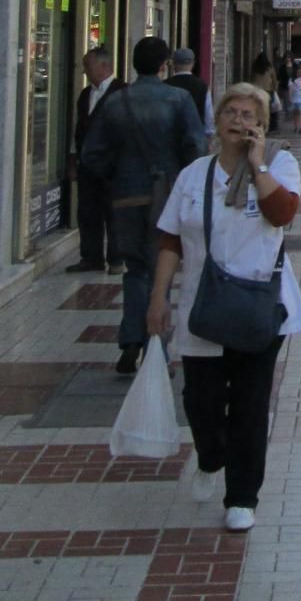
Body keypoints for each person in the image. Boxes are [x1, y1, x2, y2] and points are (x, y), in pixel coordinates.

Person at [147, 83, 301, 533]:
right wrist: (158, 297)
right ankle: (211, 456)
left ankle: (242, 497)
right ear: (216, 122)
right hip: (204, 306)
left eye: (249, 115)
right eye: (231, 113)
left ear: (262, 124)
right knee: (201, 401)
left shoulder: (279, 164)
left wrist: (257, 165)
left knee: (250, 405)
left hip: (259, 306)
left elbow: (283, 213)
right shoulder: (194, 175)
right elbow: (171, 239)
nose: (239, 121)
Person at [82, 36, 205, 375]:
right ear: (165, 65)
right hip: (166, 197)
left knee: (136, 269)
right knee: (160, 270)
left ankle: (131, 340)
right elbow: (195, 145)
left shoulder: (115, 101)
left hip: (126, 197)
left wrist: (117, 177)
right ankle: (156, 350)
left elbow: (92, 154)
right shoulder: (178, 99)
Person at [72, 46, 123, 273]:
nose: (84, 71)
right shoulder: (85, 94)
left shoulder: (122, 92)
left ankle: (116, 259)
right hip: (87, 165)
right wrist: (74, 158)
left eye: (88, 65)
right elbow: (79, 128)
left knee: (113, 213)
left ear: (104, 66)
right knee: (88, 211)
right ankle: (91, 257)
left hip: (113, 166)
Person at [169, 47, 215, 137]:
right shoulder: (203, 86)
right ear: (193, 64)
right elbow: (208, 115)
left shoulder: (166, 84)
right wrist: (209, 134)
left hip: (170, 136)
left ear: (174, 63)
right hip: (195, 136)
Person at [286, 62, 301, 135]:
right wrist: (290, 98)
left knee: (300, 113)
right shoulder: (292, 80)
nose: (299, 72)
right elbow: (290, 90)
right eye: (298, 71)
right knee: (295, 113)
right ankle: (296, 126)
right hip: (294, 99)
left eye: (300, 70)